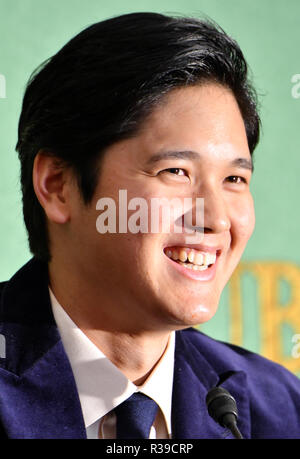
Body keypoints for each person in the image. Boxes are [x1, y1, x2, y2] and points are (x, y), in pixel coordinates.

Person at [0, 12, 299, 440]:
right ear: (58, 185)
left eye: (234, 179)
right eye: (176, 171)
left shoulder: (282, 410)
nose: (215, 218)